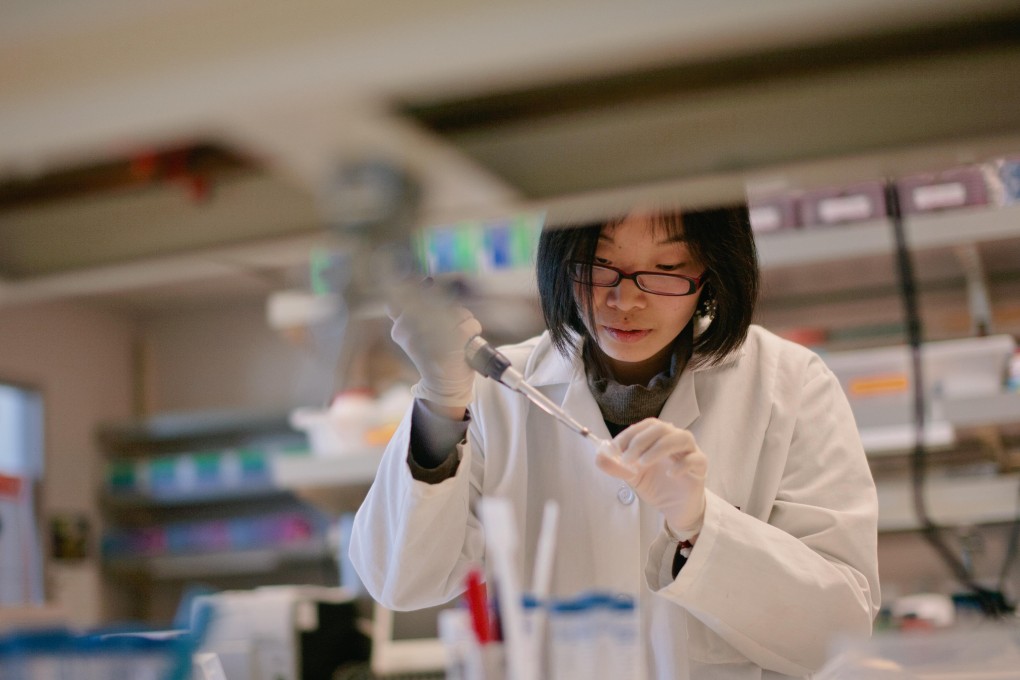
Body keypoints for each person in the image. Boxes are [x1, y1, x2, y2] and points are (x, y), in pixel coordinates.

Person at [349, 206, 880, 679]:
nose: (624, 299)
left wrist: (702, 525)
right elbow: (402, 581)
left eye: (667, 271)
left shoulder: (787, 384)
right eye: (597, 266)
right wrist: (442, 401)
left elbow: (839, 634)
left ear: (711, 272)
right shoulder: (494, 392)